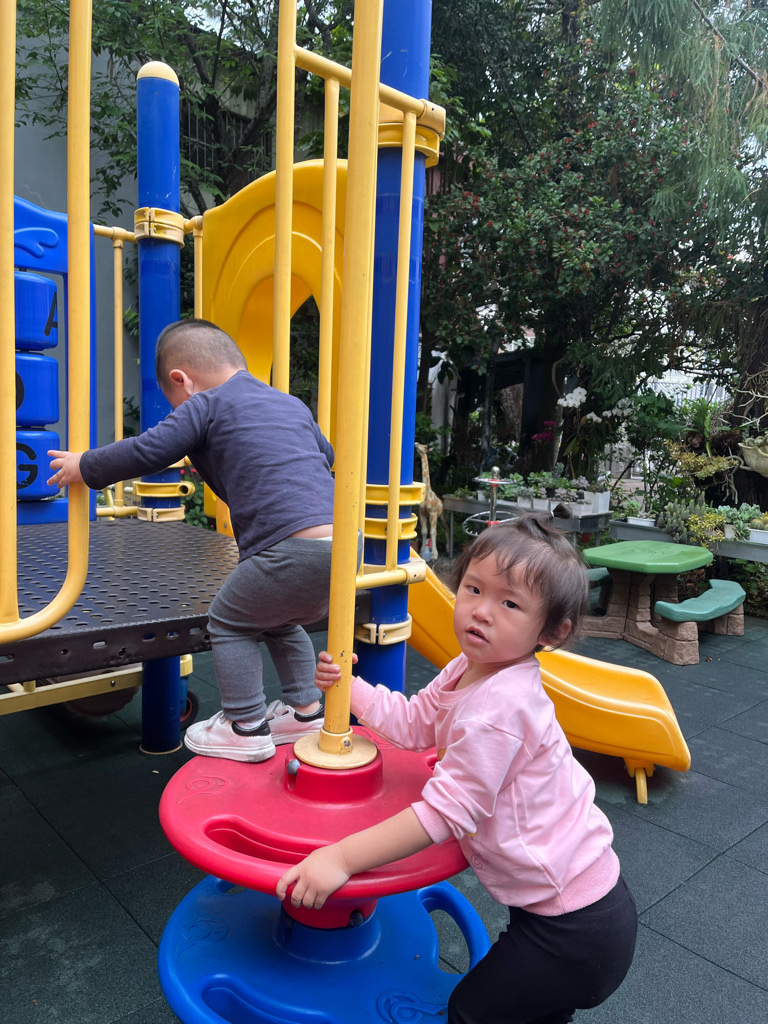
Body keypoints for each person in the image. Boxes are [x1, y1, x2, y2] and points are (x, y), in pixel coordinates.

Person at [276, 509, 637, 1024]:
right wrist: (349, 690)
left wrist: (340, 858)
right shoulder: (469, 668)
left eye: (509, 603)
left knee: (470, 1012)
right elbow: (414, 723)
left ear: (552, 631)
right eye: (473, 589)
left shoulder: (501, 707)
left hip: (574, 928)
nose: (482, 611)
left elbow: (446, 813)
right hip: (565, 911)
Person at [48, 317, 337, 763]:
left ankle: (245, 726)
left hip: (287, 548)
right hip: (342, 547)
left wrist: (85, 466)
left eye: (173, 402)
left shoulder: (206, 404)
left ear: (182, 380)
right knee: (279, 620)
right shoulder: (289, 403)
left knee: (229, 621)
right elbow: (326, 455)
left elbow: (149, 450)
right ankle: (305, 713)